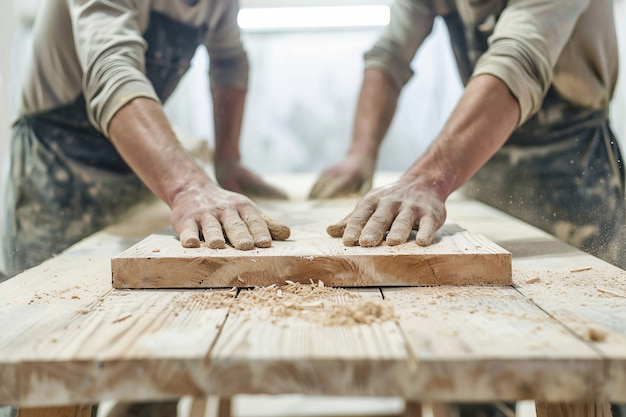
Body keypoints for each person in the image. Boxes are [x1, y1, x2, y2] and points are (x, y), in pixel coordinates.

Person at [310, 0, 625, 271]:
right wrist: (360, 153)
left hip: (573, 163)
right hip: (482, 154)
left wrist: (428, 179)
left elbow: (516, 61)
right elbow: (389, 57)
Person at [2, 0, 291, 280]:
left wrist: (227, 162)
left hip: (136, 163)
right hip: (56, 167)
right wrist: (187, 187)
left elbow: (229, 61)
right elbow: (113, 73)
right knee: (48, 296)